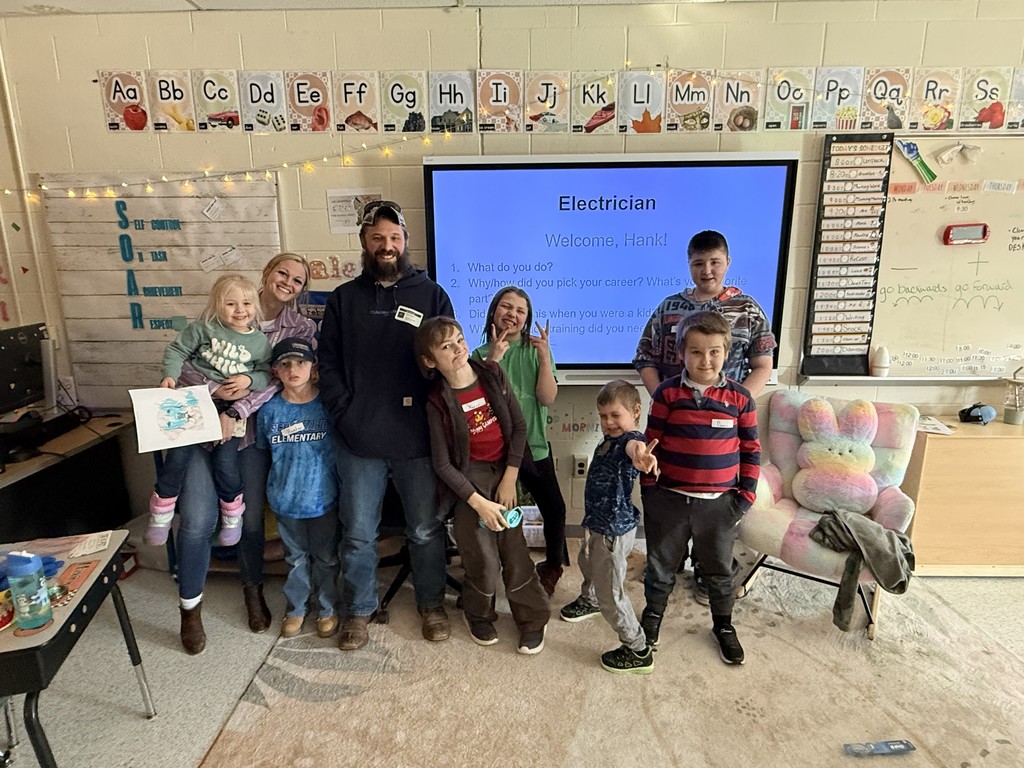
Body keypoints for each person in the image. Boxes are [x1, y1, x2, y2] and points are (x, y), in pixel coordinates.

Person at [318, 199, 455, 651]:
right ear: (364, 242)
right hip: (357, 437)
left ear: (406, 241)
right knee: (359, 533)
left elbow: (450, 358)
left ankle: (431, 604)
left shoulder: (432, 295)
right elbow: (327, 364)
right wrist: (345, 412)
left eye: (394, 237)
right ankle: (358, 610)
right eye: (377, 237)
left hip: (418, 438)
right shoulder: (343, 299)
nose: (387, 245)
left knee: (425, 529)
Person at [174, 252, 318, 655]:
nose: (287, 282)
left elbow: (280, 380)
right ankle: (190, 610)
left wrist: (240, 403)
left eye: (297, 280)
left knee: (250, 520)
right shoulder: (225, 308)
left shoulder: (301, 327)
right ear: (267, 273)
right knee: (197, 520)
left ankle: (252, 590)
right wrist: (215, 390)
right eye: (282, 273)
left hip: (250, 433)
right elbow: (184, 363)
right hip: (202, 429)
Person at [633, 229, 775, 604]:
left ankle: (706, 570)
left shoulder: (748, 309)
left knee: (715, 502)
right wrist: (664, 398)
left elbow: (763, 364)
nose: (707, 270)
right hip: (676, 423)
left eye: (714, 262)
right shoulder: (669, 307)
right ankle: (667, 563)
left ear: (727, 263)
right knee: (673, 497)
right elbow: (644, 357)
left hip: (725, 426)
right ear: (689, 265)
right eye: (698, 263)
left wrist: (736, 403)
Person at [418, 316, 549, 654]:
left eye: (459, 340)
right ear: (430, 361)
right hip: (468, 481)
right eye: (446, 346)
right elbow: (443, 464)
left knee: (515, 552)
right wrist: (477, 502)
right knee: (482, 557)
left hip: (504, 472)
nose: (457, 348)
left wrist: (510, 478)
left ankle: (532, 617)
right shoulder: (437, 402)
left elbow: (518, 427)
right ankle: (478, 613)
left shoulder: (491, 374)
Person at [639, 311, 760, 666]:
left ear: (727, 353)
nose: (705, 360)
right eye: (695, 352)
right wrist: (650, 491)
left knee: (719, 571)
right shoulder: (666, 393)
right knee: (660, 567)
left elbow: (751, 449)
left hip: (720, 505)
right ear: (681, 353)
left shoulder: (740, 398)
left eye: (714, 352)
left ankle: (723, 625)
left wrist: (745, 498)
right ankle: (652, 617)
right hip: (669, 500)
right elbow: (651, 443)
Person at [145, 274, 272, 550]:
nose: (240, 310)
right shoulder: (203, 329)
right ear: (217, 305)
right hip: (195, 401)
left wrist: (248, 380)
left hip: (230, 410)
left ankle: (232, 516)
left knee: (226, 463)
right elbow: (177, 351)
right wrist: (170, 375)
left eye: (247, 303)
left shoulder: (260, 342)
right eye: (231, 303)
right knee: (177, 457)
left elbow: (265, 374)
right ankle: (161, 513)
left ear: (255, 306)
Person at [471, 287, 568, 595]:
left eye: (520, 310)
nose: (512, 314)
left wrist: (544, 356)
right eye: (506, 306)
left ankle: (553, 566)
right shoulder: (478, 355)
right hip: (495, 451)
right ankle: (490, 574)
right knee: (495, 513)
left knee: (555, 509)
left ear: (527, 318)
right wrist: (494, 360)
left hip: (533, 444)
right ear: (493, 311)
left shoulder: (536, 349)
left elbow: (547, 398)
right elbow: (480, 405)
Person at [559, 380, 659, 674]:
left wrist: (641, 456)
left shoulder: (630, 440)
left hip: (613, 530)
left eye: (615, 415)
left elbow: (635, 448)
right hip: (599, 522)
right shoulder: (608, 439)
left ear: (636, 411)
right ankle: (589, 600)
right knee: (586, 561)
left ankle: (637, 649)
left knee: (611, 594)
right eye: (603, 416)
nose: (608, 422)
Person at [257, 337, 340, 639]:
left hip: (323, 498)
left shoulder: (327, 406)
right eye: (286, 364)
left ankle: (328, 607)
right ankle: (296, 608)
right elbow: (264, 452)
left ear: (313, 367)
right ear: (275, 371)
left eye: (301, 362)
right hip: (285, 499)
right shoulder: (269, 411)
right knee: (294, 558)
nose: (294, 370)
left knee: (326, 557)